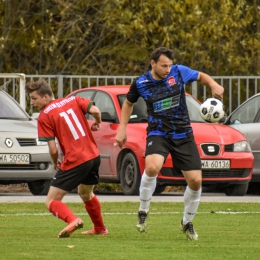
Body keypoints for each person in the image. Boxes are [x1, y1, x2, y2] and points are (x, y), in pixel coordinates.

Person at [115, 47, 224, 240]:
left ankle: (187, 222)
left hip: (183, 134)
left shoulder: (178, 72)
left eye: (169, 66)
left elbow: (201, 76)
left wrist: (213, 84)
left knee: (196, 181)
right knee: (152, 167)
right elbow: (128, 103)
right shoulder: (141, 83)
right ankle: (143, 210)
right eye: (163, 65)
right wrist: (122, 129)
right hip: (159, 133)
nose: (167, 69)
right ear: (153, 63)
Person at [26, 79, 108, 238]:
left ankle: (73, 220)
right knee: (86, 193)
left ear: (46, 97)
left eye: (34, 98)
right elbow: (96, 110)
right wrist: (97, 123)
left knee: (51, 201)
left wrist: (54, 160)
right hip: (93, 155)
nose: (31, 102)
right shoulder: (74, 99)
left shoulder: (45, 116)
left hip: (76, 159)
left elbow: (52, 148)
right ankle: (100, 228)